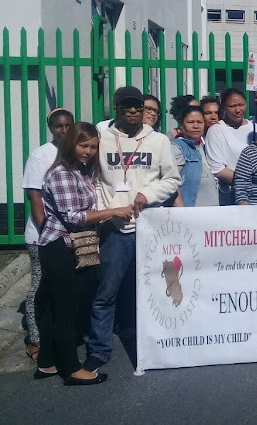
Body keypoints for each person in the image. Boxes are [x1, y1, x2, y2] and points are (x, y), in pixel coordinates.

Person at [83, 86, 181, 373]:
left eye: (138, 106)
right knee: (107, 292)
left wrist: (146, 195)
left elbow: (171, 179)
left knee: (160, 288)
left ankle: (161, 341)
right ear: (116, 108)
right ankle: (99, 351)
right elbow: (94, 179)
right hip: (115, 228)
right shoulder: (102, 136)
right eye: (126, 106)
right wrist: (107, 211)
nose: (133, 111)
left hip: (150, 227)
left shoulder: (159, 141)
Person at [35, 122, 133, 385]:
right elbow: (74, 217)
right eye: (83, 145)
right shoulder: (61, 174)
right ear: (70, 143)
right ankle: (71, 369)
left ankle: (47, 363)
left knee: (55, 309)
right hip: (61, 247)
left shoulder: (78, 171)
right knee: (66, 310)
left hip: (71, 246)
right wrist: (114, 211)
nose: (88, 151)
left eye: (92, 146)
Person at [21, 108, 74, 361]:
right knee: (39, 286)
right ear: (50, 128)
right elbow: (35, 197)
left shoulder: (77, 151)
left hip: (69, 233)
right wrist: (47, 233)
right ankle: (36, 339)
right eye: (58, 127)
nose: (63, 131)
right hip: (43, 236)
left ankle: (60, 333)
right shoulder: (41, 155)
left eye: (67, 126)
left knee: (64, 286)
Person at [204, 88, 257, 205]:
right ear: (223, 107)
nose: (238, 110)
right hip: (231, 196)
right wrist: (252, 182)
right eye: (232, 106)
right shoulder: (216, 130)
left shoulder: (256, 127)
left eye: (241, 105)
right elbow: (217, 169)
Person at [171, 105, 218, 207]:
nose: (196, 126)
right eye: (191, 122)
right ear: (182, 126)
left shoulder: (207, 147)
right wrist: (182, 212)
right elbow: (171, 181)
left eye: (199, 122)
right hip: (191, 215)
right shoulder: (177, 148)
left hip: (213, 215)